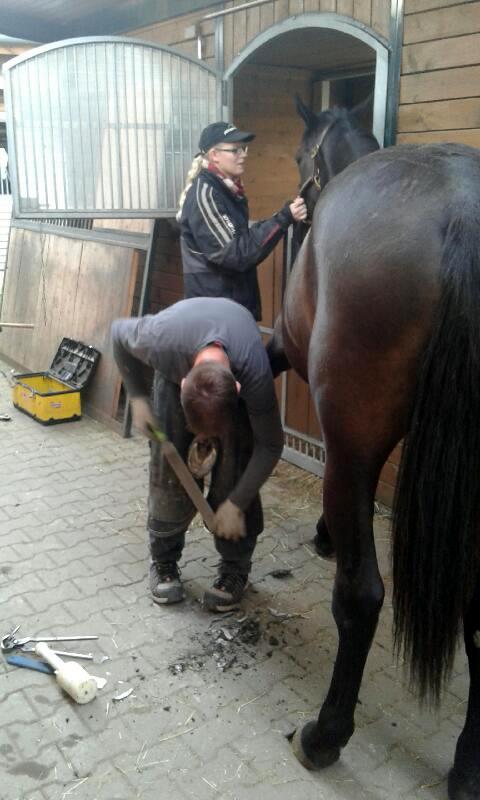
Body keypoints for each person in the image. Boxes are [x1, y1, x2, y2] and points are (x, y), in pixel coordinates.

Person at [111, 297, 284, 612]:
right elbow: (117, 333)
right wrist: (137, 396)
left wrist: (236, 502)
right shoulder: (159, 339)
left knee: (236, 468)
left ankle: (235, 568)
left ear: (238, 390)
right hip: (177, 358)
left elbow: (271, 445)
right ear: (183, 385)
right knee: (168, 470)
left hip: (230, 358)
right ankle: (163, 560)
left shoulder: (255, 376)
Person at [177, 121, 307, 321]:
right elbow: (235, 254)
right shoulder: (206, 196)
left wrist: (284, 216)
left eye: (243, 149)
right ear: (214, 155)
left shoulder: (228, 190)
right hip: (214, 316)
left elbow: (242, 241)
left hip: (231, 309)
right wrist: (283, 218)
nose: (243, 155)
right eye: (235, 150)